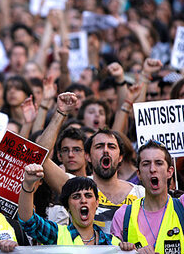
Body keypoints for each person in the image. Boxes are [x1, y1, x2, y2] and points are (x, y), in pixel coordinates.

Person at [37, 92, 145, 234]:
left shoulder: (141, 194)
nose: (105, 151)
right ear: (87, 156)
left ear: (120, 157)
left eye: (111, 147)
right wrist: (60, 113)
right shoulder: (75, 186)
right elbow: (40, 157)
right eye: (99, 147)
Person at [111, 116, 184, 254]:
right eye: (146, 164)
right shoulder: (123, 216)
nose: (152, 169)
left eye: (159, 163)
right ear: (139, 174)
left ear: (170, 172)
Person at [18, 164, 134, 250]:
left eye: (88, 196)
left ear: (97, 202)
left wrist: (128, 250)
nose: (83, 200)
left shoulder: (113, 243)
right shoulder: (57, 235)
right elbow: (28, 221)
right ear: (67, 206)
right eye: (76, 197)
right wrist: (28, 185)